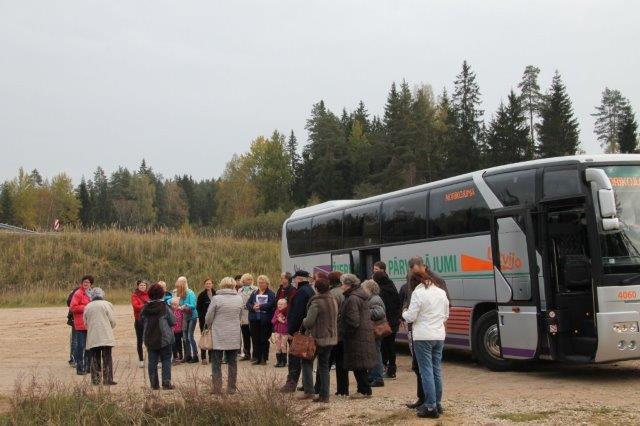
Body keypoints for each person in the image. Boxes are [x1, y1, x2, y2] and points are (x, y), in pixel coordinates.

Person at [402, 271, 450, 419]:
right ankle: (437, 402)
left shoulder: (418, 293)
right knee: (436, 369)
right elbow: (446, 314)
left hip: (423, 336)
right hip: (439, 334)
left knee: (426, 371)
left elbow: (411, 316)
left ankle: (430, 406)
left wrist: (404, 312)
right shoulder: (441, 292)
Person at [338, 273, 378, 399]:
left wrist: (346, 332)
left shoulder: (352, 299)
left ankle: (364, 390)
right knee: (360, 364)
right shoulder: (359, 296)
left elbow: (353, 320)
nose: (341, 286)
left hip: (356, 336)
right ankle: (364, 389)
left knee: (359, 364)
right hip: (362, 334)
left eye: (343, 283)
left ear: (349, 285)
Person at [299, 278, 338, 403]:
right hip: (331, 337)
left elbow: (309, 322)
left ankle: (309, 391)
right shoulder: (333, 300)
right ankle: (324, 395)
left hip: (317, 338)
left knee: (306, 362)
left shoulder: (316, 302)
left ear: (316, 288)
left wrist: (303, 320)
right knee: (324, 366)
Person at [205, 277, 244, 394]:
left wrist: (211, 324)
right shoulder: (239, 298)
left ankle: (217, 388)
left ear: (221, 285)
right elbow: (240, 316)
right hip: (234, 333)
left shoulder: (216, 299)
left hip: (219, 334)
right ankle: (231, 388)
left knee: (216, 362)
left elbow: (208, 317)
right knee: (232, 362)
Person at [280, 270, 316, 393]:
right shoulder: (309, 290)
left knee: (295, 357)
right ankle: (306, 383)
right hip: (306, 329)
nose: (294, 281)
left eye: (295, 279)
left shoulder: (301, 292)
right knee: (306, 358)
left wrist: (291, 331)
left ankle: (291, 384)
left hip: (299, 331)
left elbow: (297, 313)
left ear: (299, 279)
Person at [141, 283, 177, 390]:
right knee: (166, 359)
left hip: (150, 337)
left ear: (150, 294)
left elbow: (141, 320)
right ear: (161, 294)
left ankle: (154, 384)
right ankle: (166, 383)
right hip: (164, 338)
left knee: (152, 361)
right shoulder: (164, 307)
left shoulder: (145, 308)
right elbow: (173, 321)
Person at [83, 287, 116, 386]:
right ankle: (108, 379)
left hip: (93, 336)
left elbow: (85, 322)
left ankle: (95, 380)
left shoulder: (87, 306)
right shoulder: (107, 304)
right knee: (107, 358)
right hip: (106, 335)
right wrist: (109, 327)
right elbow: (113, 321)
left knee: (94, 357)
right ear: (102, 295)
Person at [373, 269, 401, 379]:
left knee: (384, 347)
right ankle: (392, 369)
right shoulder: (392, 288)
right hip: (394, 322)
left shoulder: (381, 292)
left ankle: (384, 368)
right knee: (391, 346)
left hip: (385, 322)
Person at [246, 275, 276, 365]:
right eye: (259, 282)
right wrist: (253, 307)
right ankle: (256, 357)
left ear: (267, 283)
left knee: (263, 339)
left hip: (265, 319)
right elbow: (248, 303)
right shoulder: (255, 292)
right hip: (254, 319)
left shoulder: (270, 293)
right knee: (255, 339)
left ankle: (263, 357)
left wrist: (261, 306)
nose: (261, 284)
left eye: (262, 282)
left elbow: (272, 304)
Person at [362, 279, 386, 388]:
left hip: (375, 330)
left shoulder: (375, 299)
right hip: (373, 330)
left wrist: (364, 312)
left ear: (369, 289)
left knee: (375, 353)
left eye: (364, 288)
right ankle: (373, 375)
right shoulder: (372, 298)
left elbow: (379, 313)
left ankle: (377, 377)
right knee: (372, 353)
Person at [328, 271, 348, 396]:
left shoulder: (331, 295)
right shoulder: (344, 293)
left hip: (333, 332)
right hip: (343, 332)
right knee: (341, 363)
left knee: (326, 362)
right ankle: (343, 389)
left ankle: (319, 387)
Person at [69, 275, 94, 375]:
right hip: (80, 324)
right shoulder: (78, 293)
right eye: (84, 282)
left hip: (90, 324)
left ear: (91, 284)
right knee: (80, 347)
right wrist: (86, 307)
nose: (86, 283)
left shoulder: (92, 294)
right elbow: (73, 307)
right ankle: (80, 368)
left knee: (89, 346)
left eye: (88, 282)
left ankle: (88, 367)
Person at [175, 276, 199, 363]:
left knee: (190, 336)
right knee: (185, 337)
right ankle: (187, 355)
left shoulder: (190, 293)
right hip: (184, 317)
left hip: (192, 316)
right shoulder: (180, 293)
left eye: (179, 284)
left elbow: (193, 305)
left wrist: (185, 306)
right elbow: (178, 304)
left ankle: (195, 356)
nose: (177, 286)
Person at [238, 273, 257, 361]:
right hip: (243, 316)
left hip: (252, 314)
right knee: (245, 336)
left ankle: (255, 354)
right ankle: (246, 354)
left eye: (250, 279)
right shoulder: (239, 290)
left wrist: (250, 306)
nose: (249, 281)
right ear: (243, 280)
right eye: (247, 279)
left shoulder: (255, 289)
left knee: (254, 336)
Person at [197, 278, 216, 365]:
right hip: (204, 320)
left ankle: (212, 357)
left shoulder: (216, 294)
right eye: (207, 283)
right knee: (204, 337)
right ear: (204, 285)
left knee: (212, 338)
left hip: (214, 320)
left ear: (212, 284)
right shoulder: (201, 295)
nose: (208, 285)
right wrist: (203, 318)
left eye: (210, 283)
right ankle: (203, 357)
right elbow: (198, 308)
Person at [131, 280, 149, 368]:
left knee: (149, 339)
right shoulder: (134, 295)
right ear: (138, 286)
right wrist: (146, 305)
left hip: (148, 320)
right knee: (140, 340)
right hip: (139, 320)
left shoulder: (149, 294)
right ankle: (141, 360)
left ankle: (152, 358)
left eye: (144, 285)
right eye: (141, 285)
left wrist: (146, 305)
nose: (142, 287)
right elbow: (136, 306)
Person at [271, 298, 289, 367]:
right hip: (277, 332)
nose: (279, 305)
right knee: (278, 346)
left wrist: (282, 321)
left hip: (284, 332)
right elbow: (272, 321)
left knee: (283, 346)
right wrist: (277, 319)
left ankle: (284, 362)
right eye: (278, 304)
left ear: (286, 305)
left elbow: (288, 322)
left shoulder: (287, 312)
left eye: (281, 304)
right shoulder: (276, 311)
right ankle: (278, 361)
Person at [66, 284, 80, 367]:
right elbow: (71, 305)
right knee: (75, 340)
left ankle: (74, 359)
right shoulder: (78, 292)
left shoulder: (75, 290)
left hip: (75, 319)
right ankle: (74, 359)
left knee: (75, 340)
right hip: (76, 319)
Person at [170, 297, 184, 364]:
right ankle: (175, 356)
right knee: (173, 343)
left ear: (178, 304)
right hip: (172, 331)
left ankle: (181, 355)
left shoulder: (180, 311)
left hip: (179, 330)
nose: (174, 306)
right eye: (172, 304)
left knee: (179, 343)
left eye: (175, 304)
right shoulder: (170, 311)